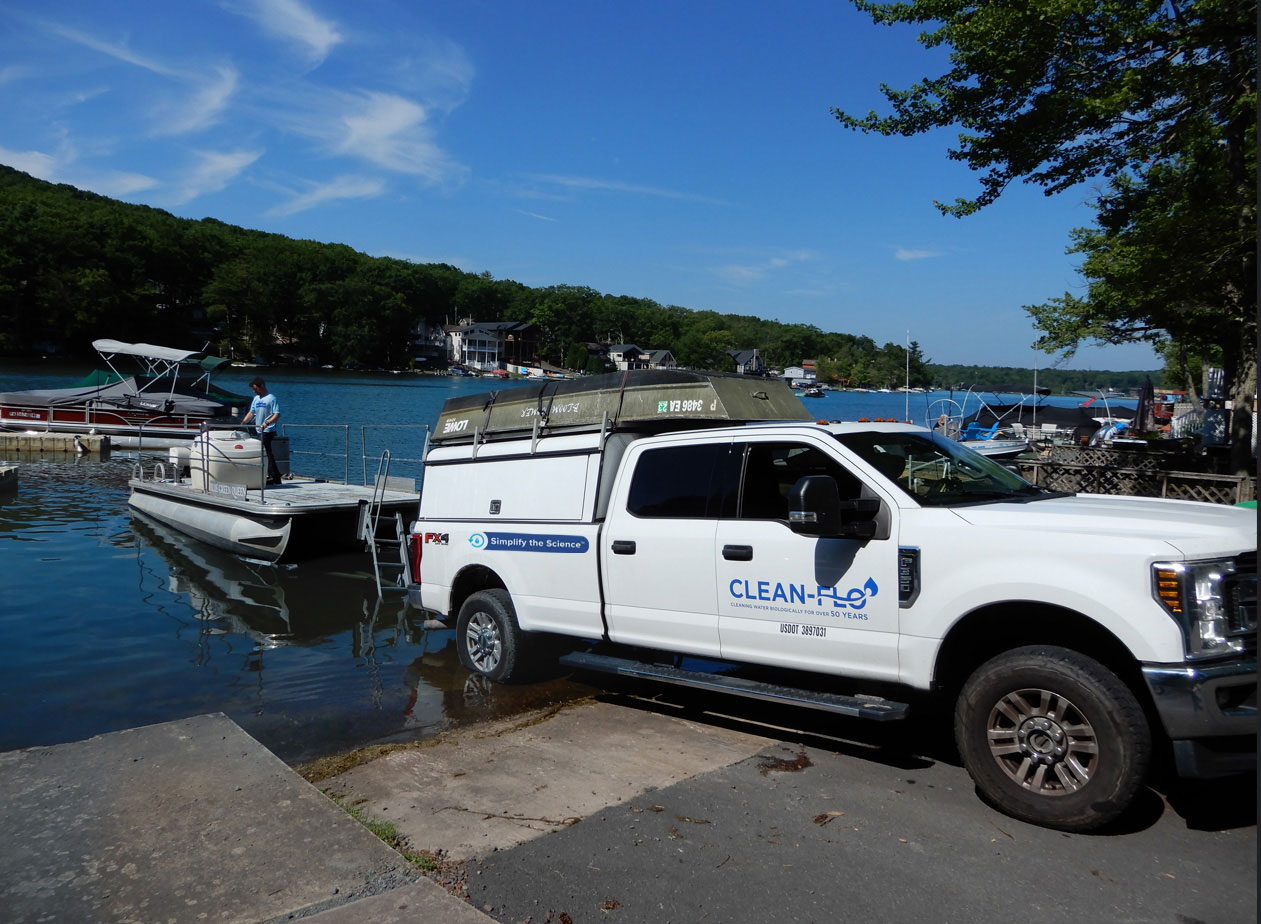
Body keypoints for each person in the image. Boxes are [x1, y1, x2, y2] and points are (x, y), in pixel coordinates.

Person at [241, 377, 282, 485]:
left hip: (268, 430)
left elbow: (277, 414)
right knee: (267, 453)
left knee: (264, 452)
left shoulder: (271, 398)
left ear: (261, 386)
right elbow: (251, 412)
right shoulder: (256, 399)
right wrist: (242, 423)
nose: (254, 391)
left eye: (255, 388)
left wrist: (267, 423)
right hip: (258, 429)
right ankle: (275, 476)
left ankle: (273, 476)